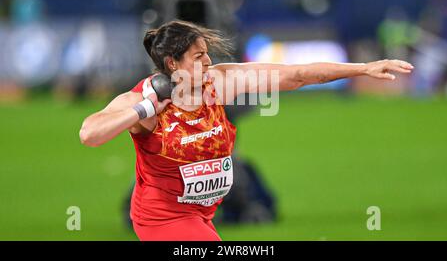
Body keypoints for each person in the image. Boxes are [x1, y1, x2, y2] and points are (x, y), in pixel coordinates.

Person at [79, 20, 414, 241]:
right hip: (162, 217)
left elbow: (296, 75)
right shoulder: (143, 100)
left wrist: (364, 68)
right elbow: (90, 134)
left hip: (202, 213)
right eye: (199, 56)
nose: (208, 61)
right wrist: (144, 109)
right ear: (172, 64)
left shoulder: (219, 84)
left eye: (207, 53)